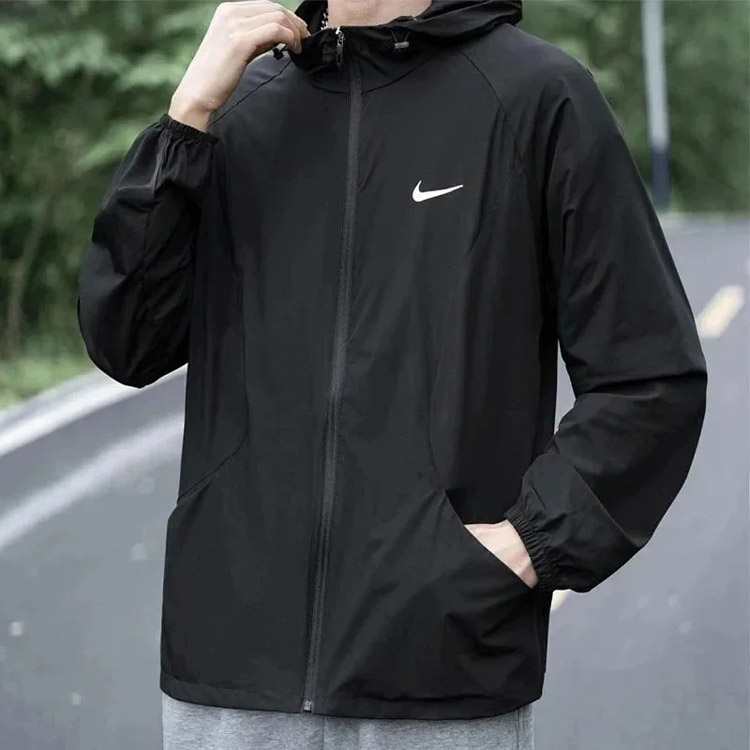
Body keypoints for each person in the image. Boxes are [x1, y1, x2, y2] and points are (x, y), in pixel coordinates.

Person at [76, 1, 708, 748]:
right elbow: (128, 340)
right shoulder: (236, 107)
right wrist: (183, 123)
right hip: (228, 675)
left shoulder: (538, 97)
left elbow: (649, 377)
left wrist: (528, 544)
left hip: (438, 674)